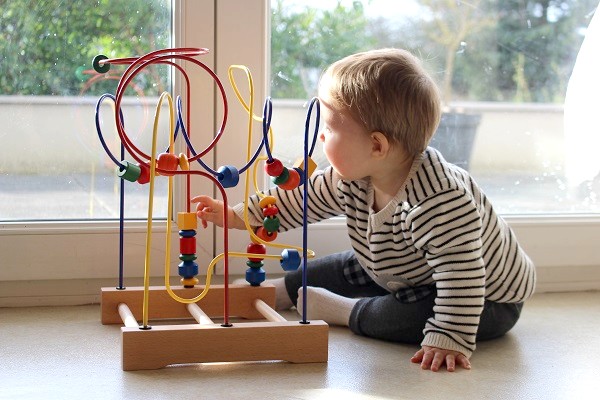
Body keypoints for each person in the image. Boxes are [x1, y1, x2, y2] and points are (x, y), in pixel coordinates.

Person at [192, 48, 536, 372]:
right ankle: (283, 290)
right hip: (401, 267)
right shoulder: (352, 177)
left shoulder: (439, 200)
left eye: (329, 128)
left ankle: (344, 311)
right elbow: (297, 200)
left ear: (376, 145)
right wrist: (237, 215)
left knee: (403, 318)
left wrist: (449, 337)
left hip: (486, 299)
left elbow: (463, 277)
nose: (321, 138)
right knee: (341, 265)